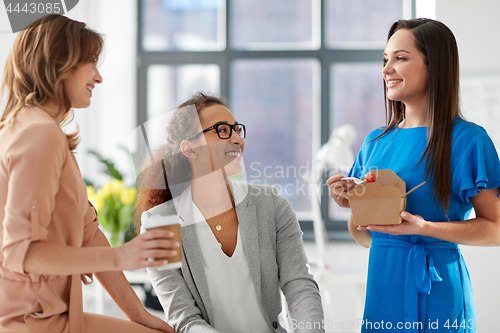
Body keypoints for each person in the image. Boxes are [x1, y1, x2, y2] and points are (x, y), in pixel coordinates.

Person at [0, 14, 178, 333]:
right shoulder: (39, 135)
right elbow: (21, 253)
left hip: (55, 317)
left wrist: (139, 314)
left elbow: (89, 234)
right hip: (33, 323)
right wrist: (123, 256)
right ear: (57, 62)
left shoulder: (34, 129)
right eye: (90, 62)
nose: (98, 77)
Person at [327, 18, 500, 333]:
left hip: (438, 291)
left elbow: (496, 229)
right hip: (383, 285)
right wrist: (351, 203)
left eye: (400, 58)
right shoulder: (375, 142)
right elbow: (366, 236)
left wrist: (426, 228)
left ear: (434, 65)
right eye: (385, 60)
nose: (386, 69)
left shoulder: (467, 140)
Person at [135, 92, 324, 333]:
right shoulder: (159, 224)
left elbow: (299, 285)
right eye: (222, 130)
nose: (236, 138)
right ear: (189, 149)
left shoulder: (272, 205)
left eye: (237, 129)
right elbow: (184, 318)